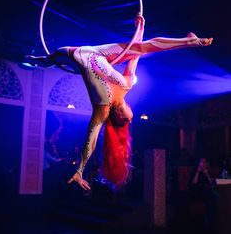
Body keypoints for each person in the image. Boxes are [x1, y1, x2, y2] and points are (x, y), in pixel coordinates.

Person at [25, 14, 213, 190]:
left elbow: (90, 141)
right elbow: (136, 54)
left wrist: (80, 169)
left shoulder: (103, 108)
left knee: (56, 56)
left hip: (78, 56)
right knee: (142, 49)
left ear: (120, 115)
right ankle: (190, 41)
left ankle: (45, 61)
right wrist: (140, 30)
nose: (132, 116)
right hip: (98, 54)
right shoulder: (127, 85)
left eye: (129, 119)